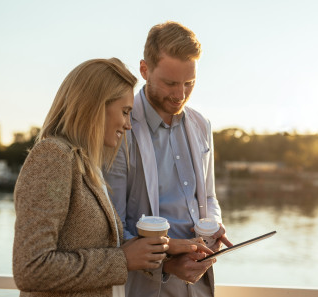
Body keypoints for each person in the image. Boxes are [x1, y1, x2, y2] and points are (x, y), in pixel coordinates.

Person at [13, 57, 212, 297]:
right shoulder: (53, 157)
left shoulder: (87, 166)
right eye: (125, 112)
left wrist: (169, 248)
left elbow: (101, 247)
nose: (129, 125)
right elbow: (31, 268)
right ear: (95, 107)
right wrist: (122, 259)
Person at [103, 21, 232, 297]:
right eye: (170, 83)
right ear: (144, 70)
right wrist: (169, 262)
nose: (180, 95)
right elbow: (113, 225)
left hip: (199, 283)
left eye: (189, 83)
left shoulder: (202, 125)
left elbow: (208, 198)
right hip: (147, 286)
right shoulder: (121, 128)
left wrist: (214, 227)